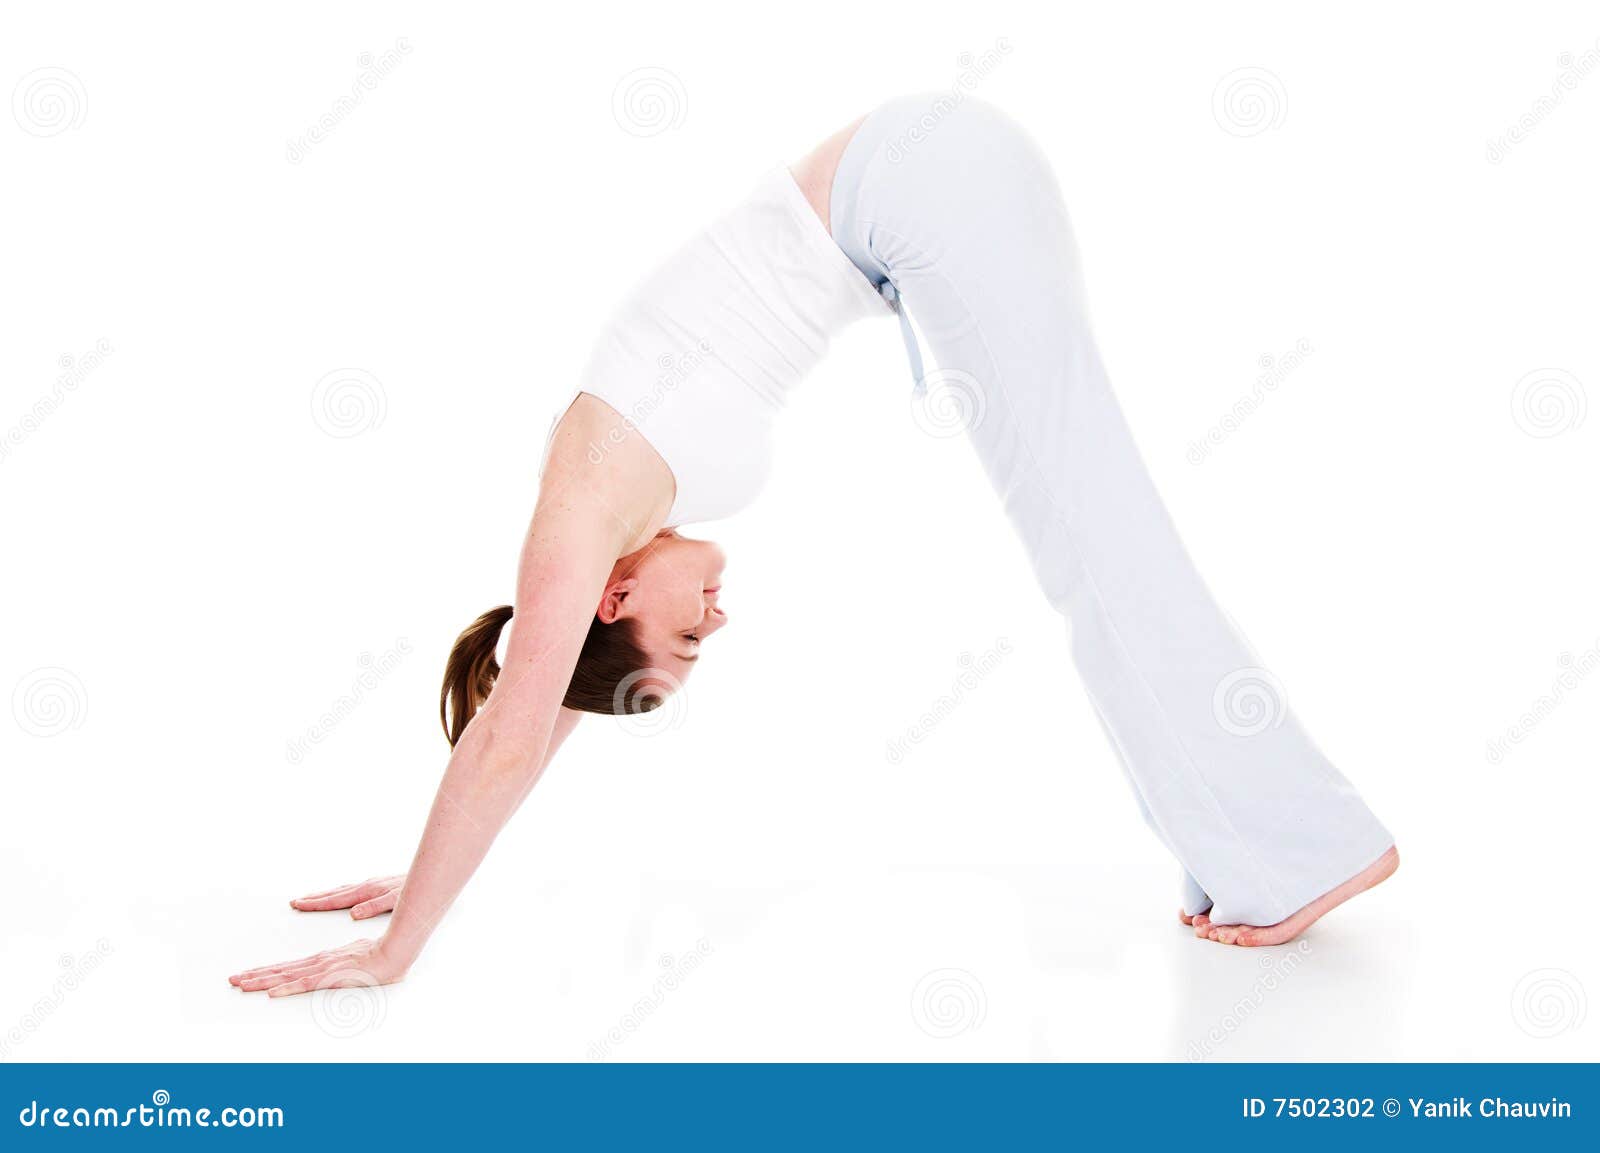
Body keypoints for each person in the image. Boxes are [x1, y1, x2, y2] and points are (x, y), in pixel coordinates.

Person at [231, 94, 1396, 997]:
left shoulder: (575, 524)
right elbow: (542, 722)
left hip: (924, 186)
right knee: (1082, 533)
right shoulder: (607, 539)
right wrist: (433, 872)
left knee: (1089, 534)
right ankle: (1248, 844)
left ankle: (1291, 848)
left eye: (687, 631)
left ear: (611, 596)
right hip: (921, 200)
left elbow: (510, 732)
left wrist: (403, 945)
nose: (718, 621)